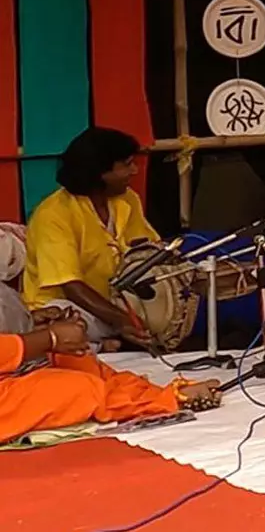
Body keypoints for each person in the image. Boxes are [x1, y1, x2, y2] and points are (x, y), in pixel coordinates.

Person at [0, 301, 221, 442]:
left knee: (78, 359)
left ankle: (149, 395)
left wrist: (32, 321)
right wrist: (47, 338)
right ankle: (161, 400)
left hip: (15, 364)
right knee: (80, 388)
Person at [21, 128, 160, 344]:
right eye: (127, 164)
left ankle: (110, 341)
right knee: (71, 328)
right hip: (66, 305)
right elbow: (71, 287)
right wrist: (121, 320)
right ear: (99, 173)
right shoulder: (53, 215)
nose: (134, 171)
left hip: (114, 303)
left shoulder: (127, 200)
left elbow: (148, 251)